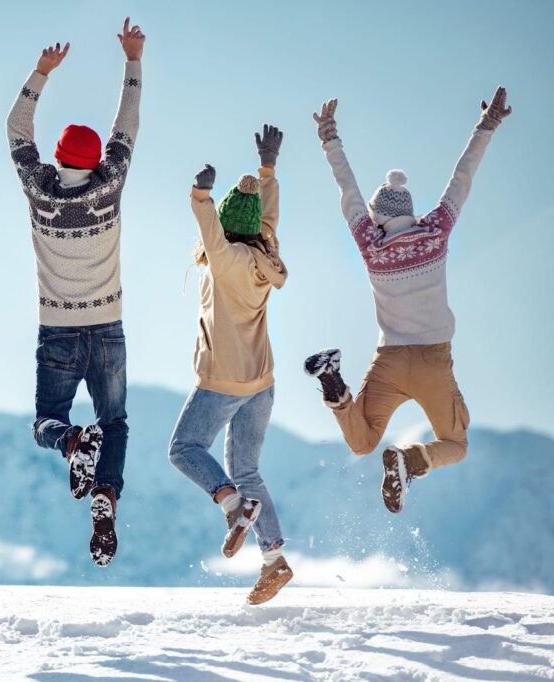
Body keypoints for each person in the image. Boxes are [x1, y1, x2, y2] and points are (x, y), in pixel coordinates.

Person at [305, 87, 512, 513]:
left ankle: (333, 383)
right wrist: (485, 126)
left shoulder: (371, 244)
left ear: (379, 217)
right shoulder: (434, 232)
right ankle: (412, 460)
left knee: (361, 441)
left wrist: (329, 137)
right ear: (411, 211)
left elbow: (349, 193)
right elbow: (461, 181)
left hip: (391, 360)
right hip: (435, 360)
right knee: (455, 442)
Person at [6, 17, 144, 567]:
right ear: (93, 163)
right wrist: (133, 60)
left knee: (47, 420)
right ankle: (106, 496)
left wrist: (41, 72)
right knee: (116, 425)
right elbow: (127, 126)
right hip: (108, 327)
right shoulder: (110, 185)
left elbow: (16, 129)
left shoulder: (39, 189)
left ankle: (69, 444)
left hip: (57, 330)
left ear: (58, 158)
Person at [168, 127, 293, 605]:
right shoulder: (267, 254)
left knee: (183, 448)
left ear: (224, 225)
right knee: (248, 468)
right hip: (262, 382)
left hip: (223, 380)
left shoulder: (224, 259)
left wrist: (200, 194)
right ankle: (273, 560)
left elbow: (208, 231)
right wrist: (268, 168)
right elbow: (269, 217)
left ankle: (232, 505)